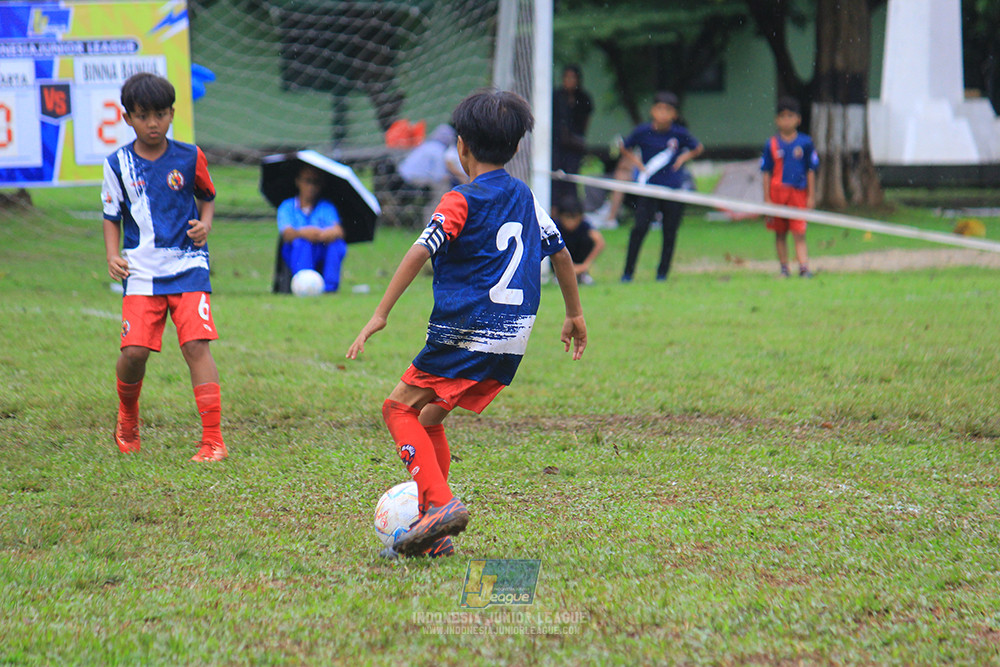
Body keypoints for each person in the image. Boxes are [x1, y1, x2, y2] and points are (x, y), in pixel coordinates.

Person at [346, 89, 587, 559]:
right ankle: (437, 534)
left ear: (461, 147)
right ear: (516, 148)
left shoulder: (460, 199)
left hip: (467, 332)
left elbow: (420, 249)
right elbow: (561, 253)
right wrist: (575, 314)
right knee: (431, 414)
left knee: (397, 410)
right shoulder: (525, 197)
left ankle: (439, 503)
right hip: (512, 337)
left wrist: (380, 314)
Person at [101, 72, 226, 462]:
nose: (152, 123)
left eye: (160, 114)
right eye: (142, 116)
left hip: (189, 266)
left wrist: (205, 224)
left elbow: (207, 197)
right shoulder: (118, 163)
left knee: (195, 346)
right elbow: (111, 215)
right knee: (135, 351)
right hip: (141, 271)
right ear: (128, 118)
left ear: (172, 114)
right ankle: (128, 416)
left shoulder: (190, 156)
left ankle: (213, 441)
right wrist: (112, 255)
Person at [619, 91, 704, 283]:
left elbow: (697, 147)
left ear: (674, 114)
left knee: (670, 231)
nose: (663, 113)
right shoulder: (642, 131)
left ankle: (662, 274)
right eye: (659, 109)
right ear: (652, 110)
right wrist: (638, 163)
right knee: (639, 228)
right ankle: (628, 273)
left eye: (668, 110)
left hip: (672, 189)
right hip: (649, 189)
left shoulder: (679, 133)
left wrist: (682, 158)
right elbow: (624, 146)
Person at [760, 97, 819, 278]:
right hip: (777, 193)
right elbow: (766, 172)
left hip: (798, 193)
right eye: (783, 116)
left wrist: (811, 195)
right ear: (777, 120)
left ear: (798, 119)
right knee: (780, 233)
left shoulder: (805, 143)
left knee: (799, 231)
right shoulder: (771, 144)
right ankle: (784, 268)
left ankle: (804, 267)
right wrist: (767, 198)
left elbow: (811, 170)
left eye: (790, 116)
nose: (786, 120)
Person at [277, 164, 348, 292]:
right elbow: (286, 233)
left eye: (316, 182)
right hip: (297, 251)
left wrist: (323, 235)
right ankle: (303, 283)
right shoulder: (287, 206)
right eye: (308, 181)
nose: (311, 187)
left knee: (336, 244)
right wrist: (304, 233)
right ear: (298, 181)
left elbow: (338, 230)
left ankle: (329, 288)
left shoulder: (326, 207)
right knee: (303, 243)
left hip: (321, 249)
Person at [552, 64, 594, 204]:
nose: (570, 80)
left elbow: (586, 121)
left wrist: (578, 138)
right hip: (556, 144)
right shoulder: (556, 96)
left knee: (571, 178)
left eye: (573, 77)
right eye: (567, 77)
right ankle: (555, 209)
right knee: (555, 178)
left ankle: (570, 208)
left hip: (574, 146)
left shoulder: (583, 98)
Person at [554, 195, 605, 285]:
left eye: (574, 217)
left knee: (587, 239)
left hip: (579, 261)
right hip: (560, 263)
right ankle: (558, 274)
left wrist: (585, 265)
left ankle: (582, 275)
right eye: (567, 217)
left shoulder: (585, 226)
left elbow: (600, 243)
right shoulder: (555, 227)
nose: (571, 222)